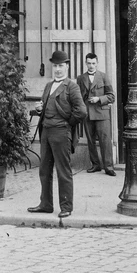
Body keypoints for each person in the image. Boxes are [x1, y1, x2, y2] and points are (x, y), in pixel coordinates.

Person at [27, 50, 87, 219]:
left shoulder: (72, 86)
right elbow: (47, 108)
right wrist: (40, 109)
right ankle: (46, 204)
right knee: (44, 170)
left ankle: (66, 206)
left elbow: (81, 111)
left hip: (61, 133)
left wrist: (67, 124)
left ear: (67, 66)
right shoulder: (48, 86)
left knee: (63, 171)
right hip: (46, 132)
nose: (58, 69)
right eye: (55, 66)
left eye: (61, 66)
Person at [77, 52, 116, 176]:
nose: (91, 66)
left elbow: (111, 96)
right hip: (88, 113)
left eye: (93, 63)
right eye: (89, 63)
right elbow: (77, 97)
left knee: (105, 140)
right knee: (90, 140)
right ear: (86, 63)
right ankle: (95, 165)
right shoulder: (81, 78)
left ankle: (108, 167)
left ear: (97, 63)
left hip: (102, 113)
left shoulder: (103, 77)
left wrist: (99, 99)